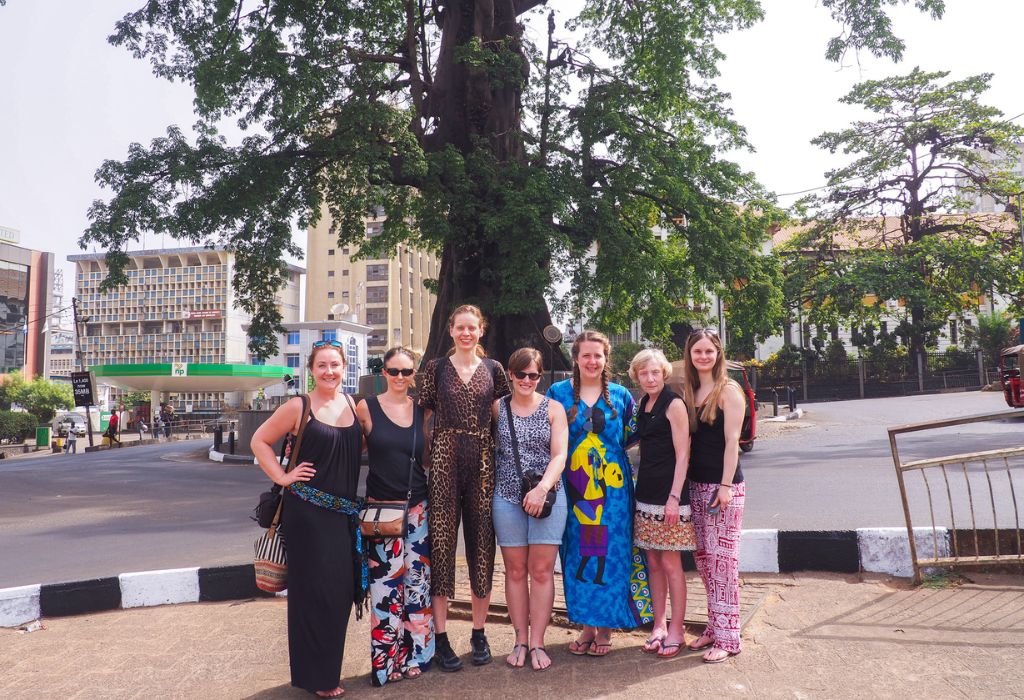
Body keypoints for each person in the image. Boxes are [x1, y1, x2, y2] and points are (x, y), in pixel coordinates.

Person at [250, 340, 364, 698]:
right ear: (311, 370)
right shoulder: (299, 406)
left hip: (344, 514)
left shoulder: (352, 405)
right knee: (313, 594)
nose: (329, 371)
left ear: (345, 368)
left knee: (341, 592)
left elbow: (354, 448)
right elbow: (259, 441)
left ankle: (327, 669)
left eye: (335, 365)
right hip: (308, 514)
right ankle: (318, 678)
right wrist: (283, 477)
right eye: (322, 366)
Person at [546, 330, 652, 658]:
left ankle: (606, 627)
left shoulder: (621, 396)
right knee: (578, 556)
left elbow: (639, 443)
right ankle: (586, 625)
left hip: (615, 496)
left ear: (606, 359)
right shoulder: (557, 393)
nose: (592, 361)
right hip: (574, 492)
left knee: (611, 556)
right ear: (576, 359)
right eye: (586, 355)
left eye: (598, 355)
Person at [417, 305, 510, 671]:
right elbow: (423, 416)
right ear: (451, 330)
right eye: (461, 328)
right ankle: (440, 637)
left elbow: (503, 416)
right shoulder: (435, 368)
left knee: (482, 545)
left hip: (483, 460)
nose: (467, 333)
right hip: (443, 458)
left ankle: (478, 631)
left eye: (473, 328)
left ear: (481, 331)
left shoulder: (494, 369)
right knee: (440, 544)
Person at [355, 347, 434, 686]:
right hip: (381, 511)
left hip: (417, 508)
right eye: (393, 371)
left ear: (413, 373)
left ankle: (417, 654)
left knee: (417, 586)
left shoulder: (422, 411)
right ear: (383, 372)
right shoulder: (367, 408)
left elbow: (430, 456)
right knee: (386, 588)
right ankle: (387, 663)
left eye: (406, 371)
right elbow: (347, 450)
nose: (400, 377)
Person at [491, 348, 568, 671]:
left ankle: (538, 641)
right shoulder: (497, 408)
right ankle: (520, 639)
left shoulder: (553, 408)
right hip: (508, 497)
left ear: (540, 377)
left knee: (541, 571)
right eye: (520, 374)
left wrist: (541, 488)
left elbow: (560, 455)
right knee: (515, 571)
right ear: (510, 374)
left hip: (547, 497)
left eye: (533, 375)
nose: (526, 380)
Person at [681, 329, 747, 664]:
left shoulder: (728, 390)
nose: (703, 356)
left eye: (709, 350)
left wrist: (723, 487)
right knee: (705, 563)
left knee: (724, 565)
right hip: (696, 485)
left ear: (718, 353)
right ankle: (714, 626)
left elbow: (732, 442)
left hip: (724, 489)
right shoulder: (690, 390)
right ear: (689, 355)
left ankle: (730, 638)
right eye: (697, 351)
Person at [628, 348, 695, 659]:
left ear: (664, 373)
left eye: (654, 372)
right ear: (637, 377)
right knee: (652, 563)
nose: (650, 377)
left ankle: (678, 629)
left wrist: (673, 497)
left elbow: (683, 454)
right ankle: (659, 625)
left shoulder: (674, 404)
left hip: (669, 497)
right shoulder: (644, 403)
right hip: (646, 495)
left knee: (670, 564)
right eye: (644, 373)